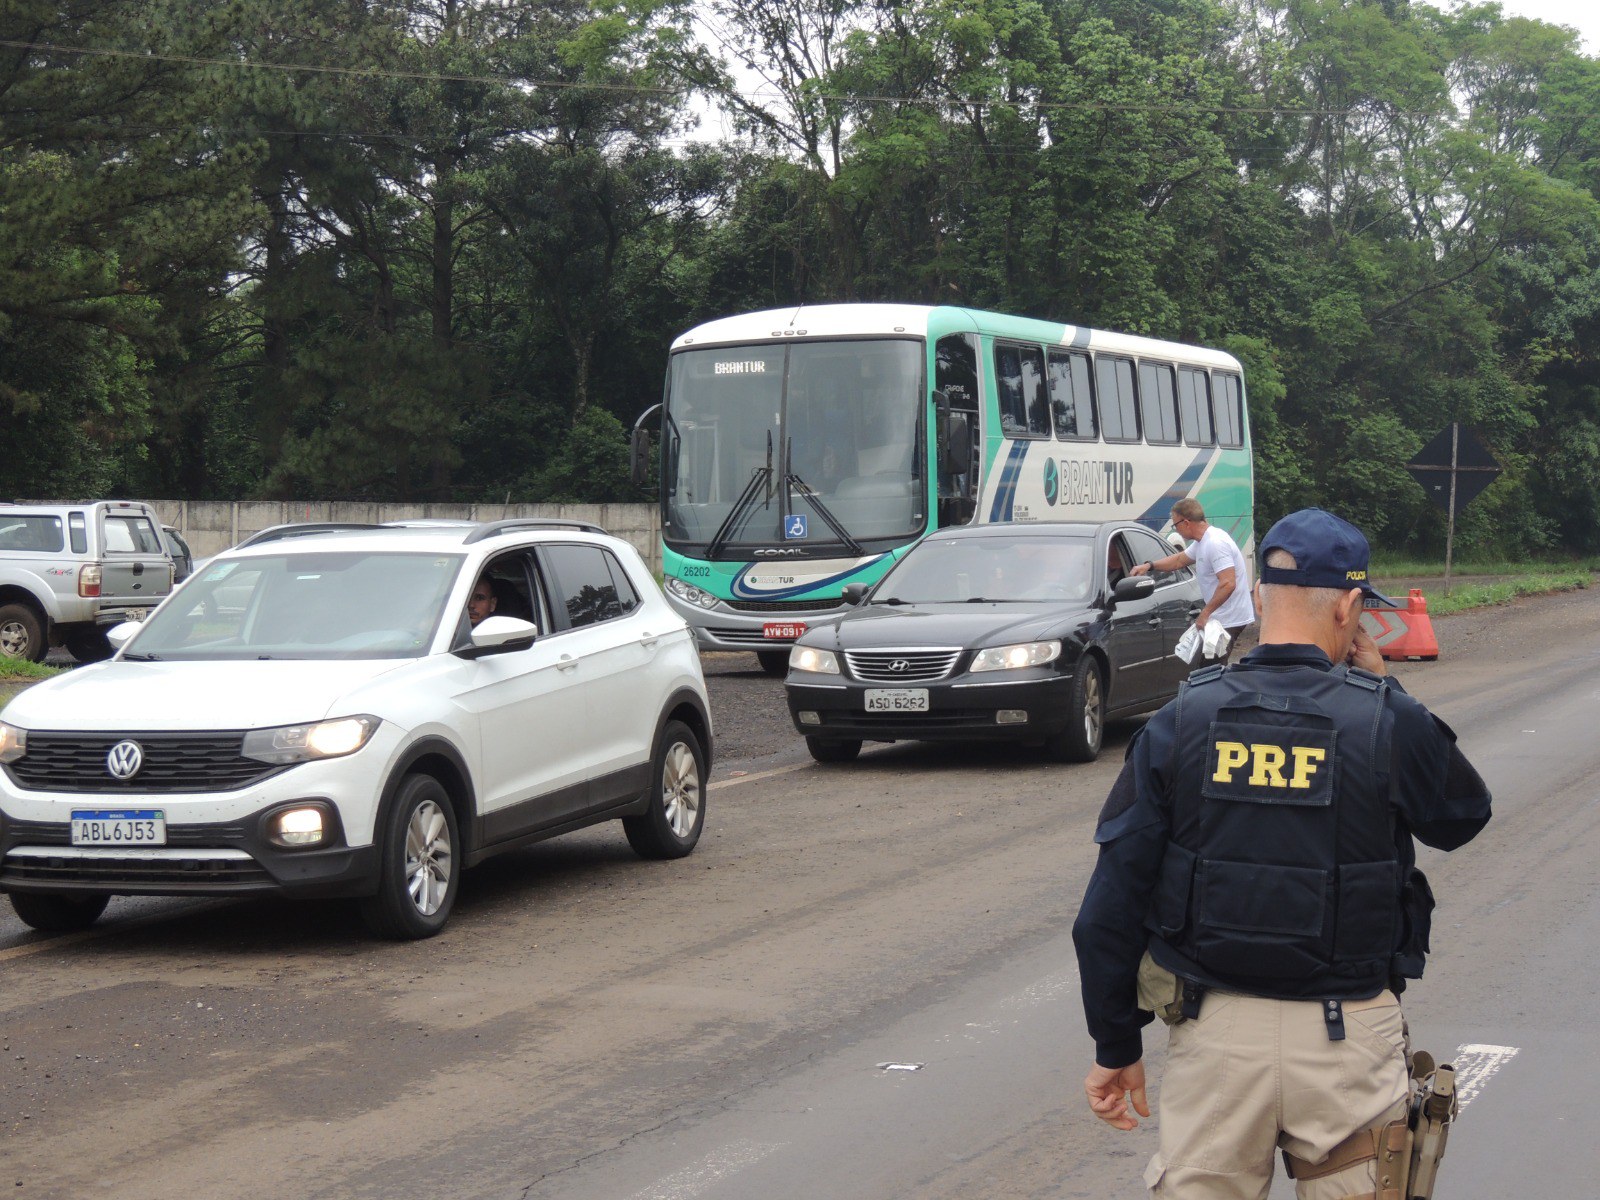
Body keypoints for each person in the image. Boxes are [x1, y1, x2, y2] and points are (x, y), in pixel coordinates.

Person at [1072, 507, 1491, 1199]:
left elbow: (1107, 910)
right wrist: (1387, 689)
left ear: (1259, 596)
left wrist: (1116, 1046)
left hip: (1215, 1039)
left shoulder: (1183, 719)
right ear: (1351, 605)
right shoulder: (1386, 717)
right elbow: (1461, 818)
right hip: (1348, 1044)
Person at [1130, 499, 1254, 663]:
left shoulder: (1215, 543)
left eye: (1175, 525)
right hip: (1221, 617)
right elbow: (1179, 560)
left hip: (1230, 618)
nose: (1177, 530)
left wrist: (1206, 612)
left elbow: (1228, 583)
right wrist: (1149, 566)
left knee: (1210, 671)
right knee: (1208, 669)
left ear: (1186, 523)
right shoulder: (1203, 541)